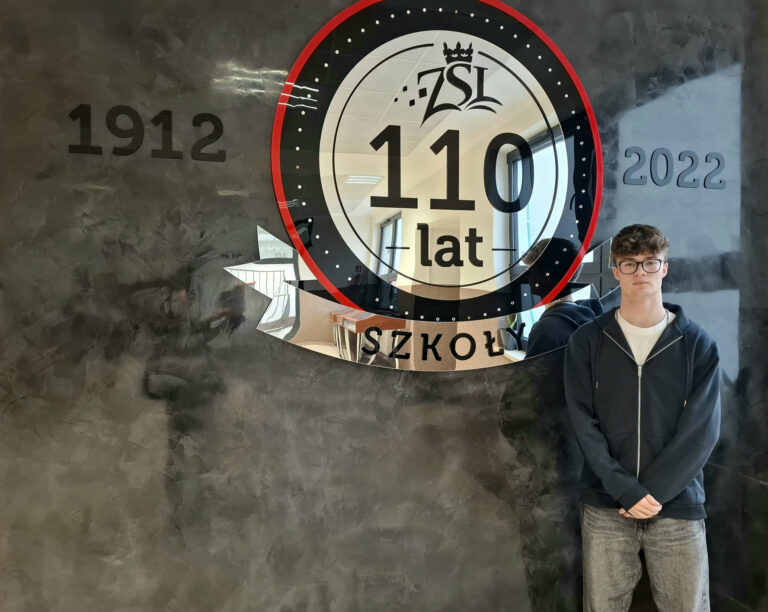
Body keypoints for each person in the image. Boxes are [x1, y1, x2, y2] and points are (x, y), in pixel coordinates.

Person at [564, 224, 721, 611]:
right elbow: (583, 424)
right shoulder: (587, 341)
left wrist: (652, 493)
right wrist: (626, 490)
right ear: (615, 270)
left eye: (650, 262)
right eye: (629, 263)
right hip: (607, 506)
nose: (640, 272)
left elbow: (701, 431)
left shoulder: (697, 344)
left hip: (677, 506)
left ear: (664, 268)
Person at [522, 238, 603, 358]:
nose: (527, 277)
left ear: (547, 276)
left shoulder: (546, 330)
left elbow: (531, 371)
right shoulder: (591, 314)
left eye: (531, 270)